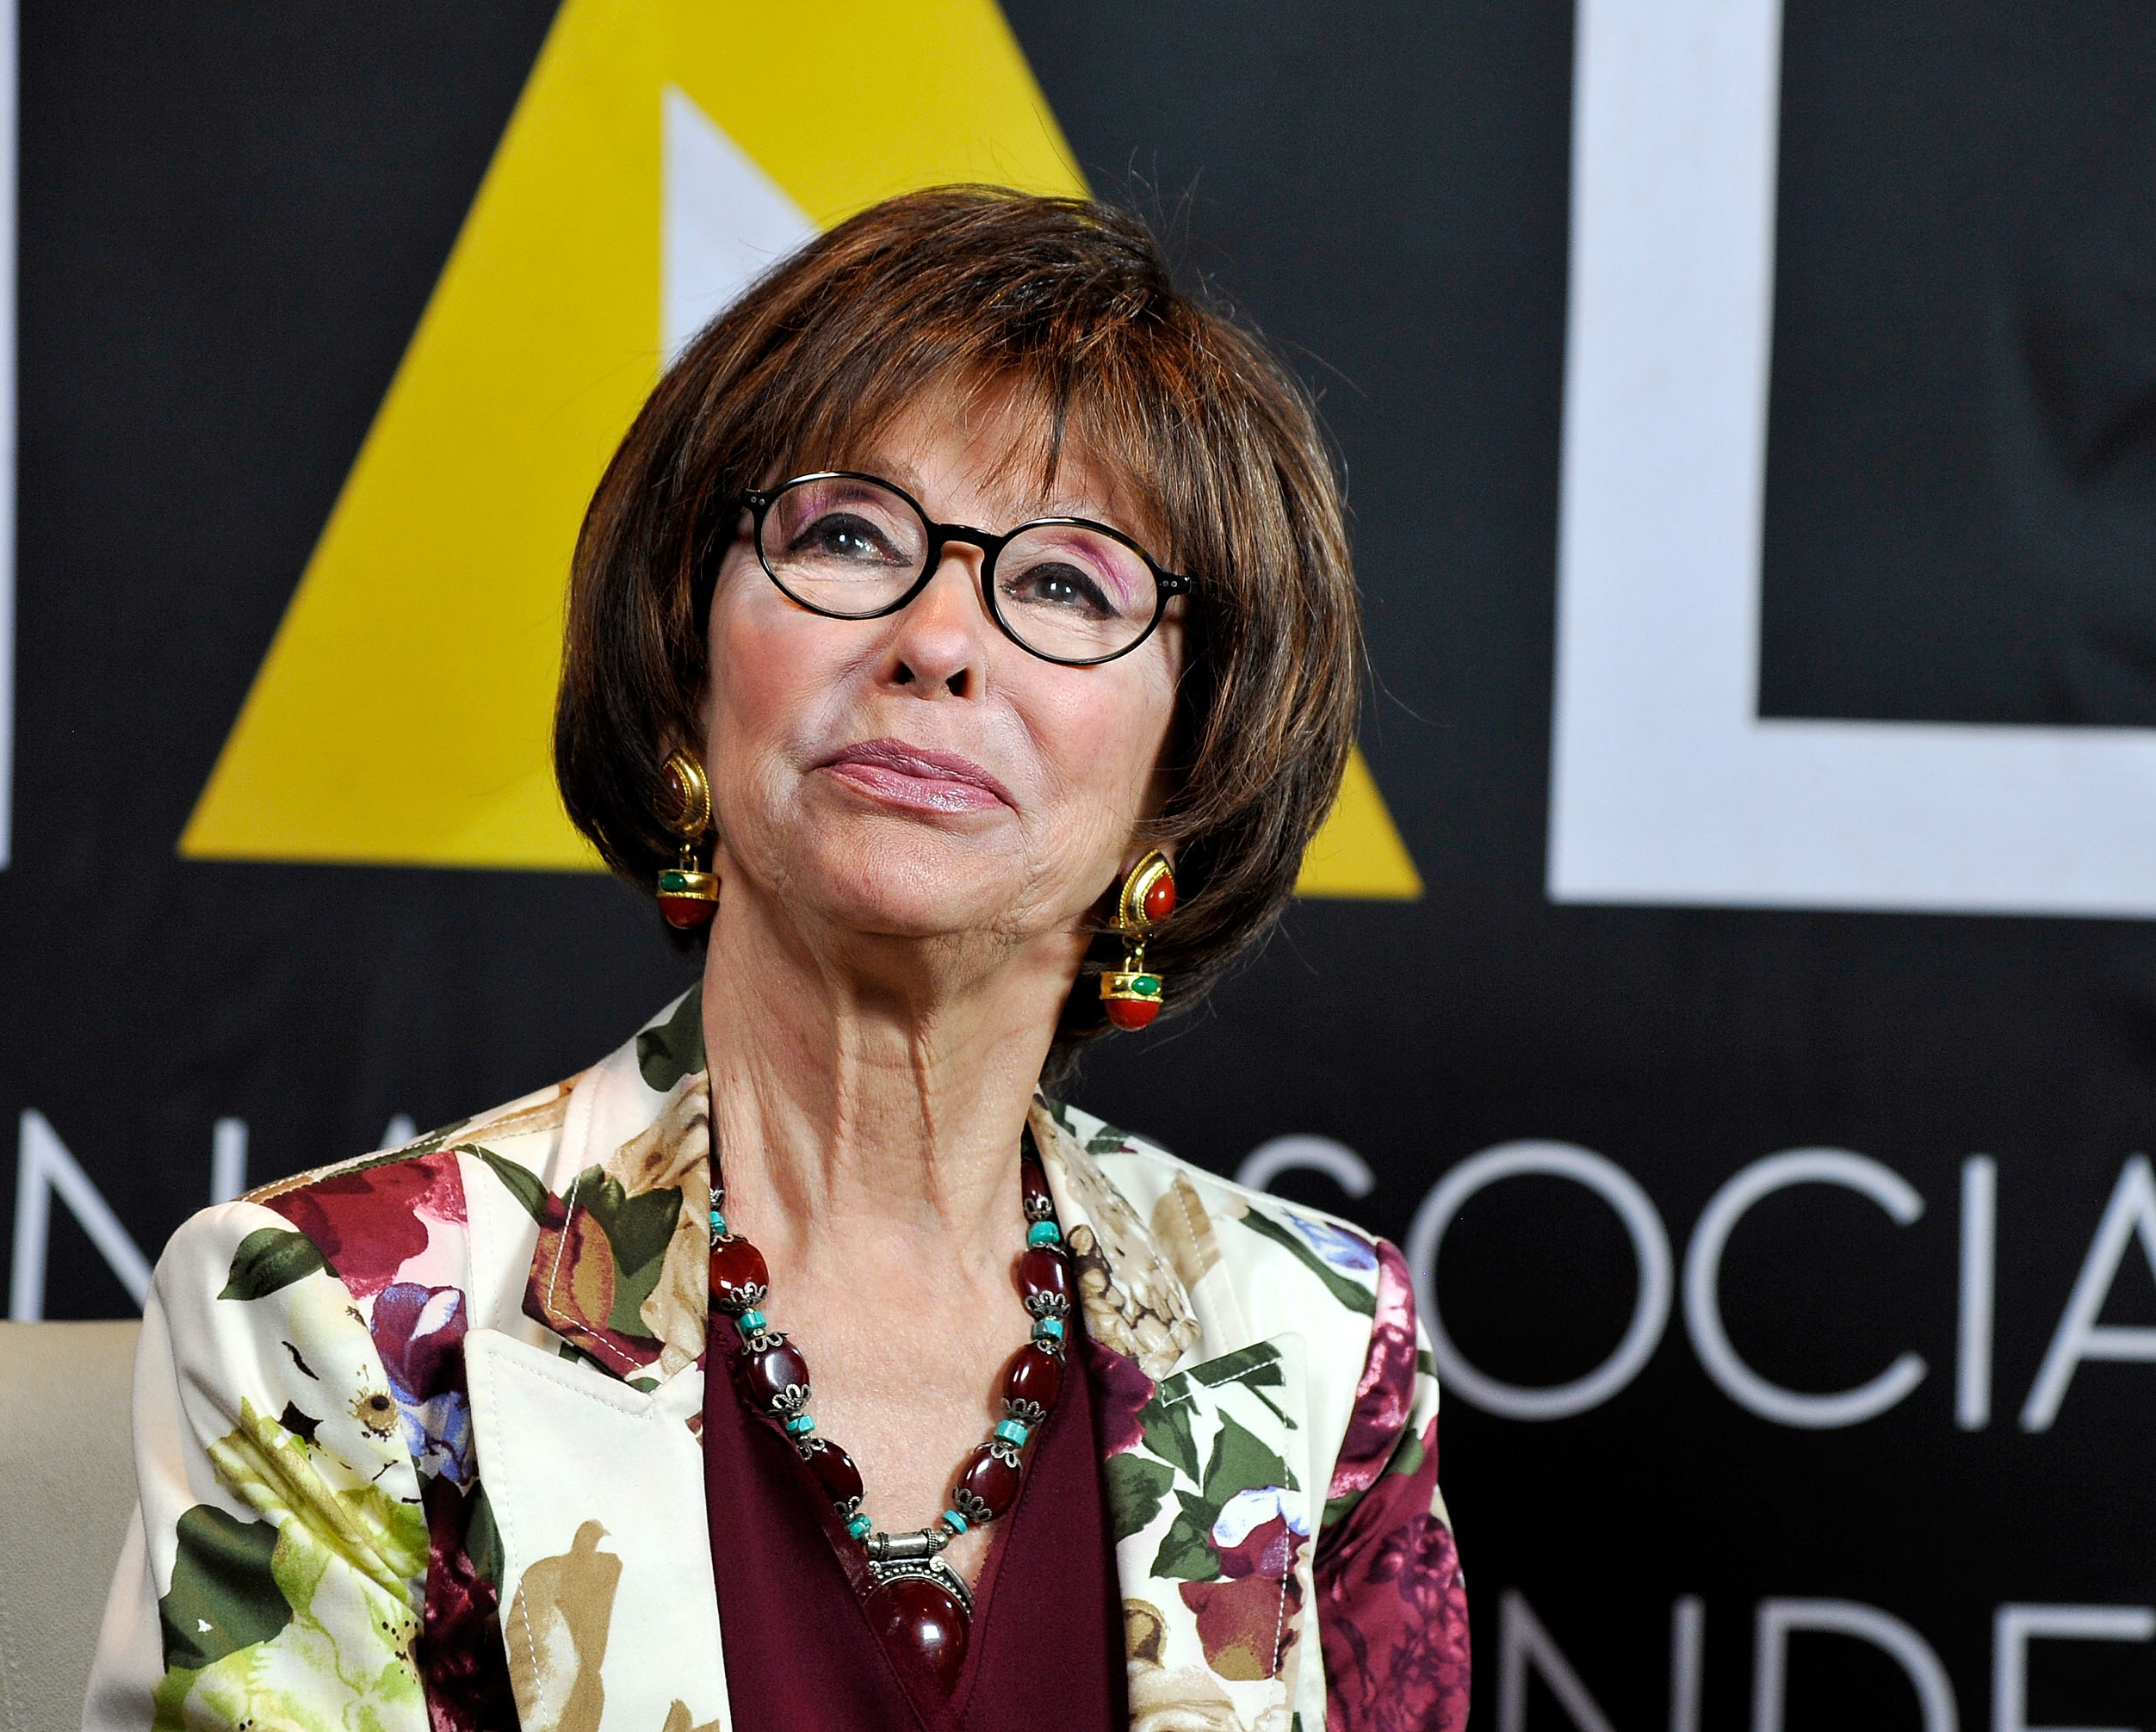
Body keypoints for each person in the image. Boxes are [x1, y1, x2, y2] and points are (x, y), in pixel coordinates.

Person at [84, 187, 1467, 1732]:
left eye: (1068, 582)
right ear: (687, 663)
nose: (939, 638)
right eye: (850, 537)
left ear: (1189, 766)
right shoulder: (344, 1312)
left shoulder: (1321, 1345)